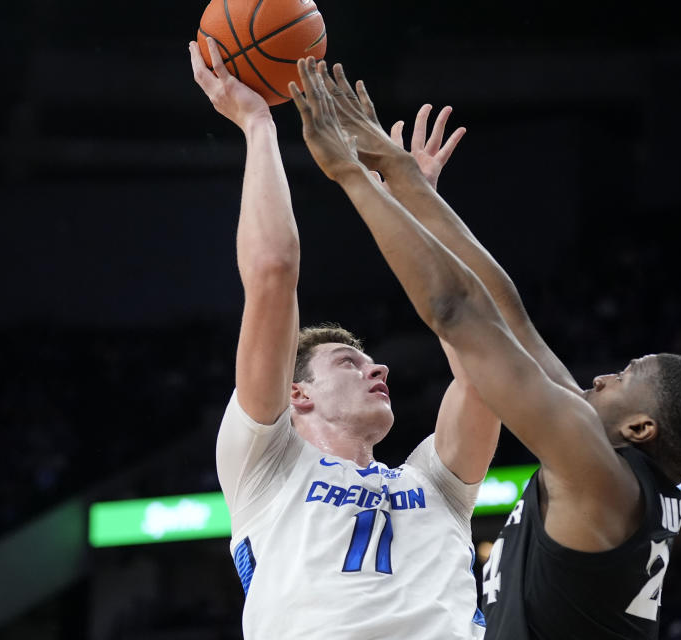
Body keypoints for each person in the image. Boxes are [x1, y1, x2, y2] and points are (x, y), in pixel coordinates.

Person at [289, 56, 681, 640]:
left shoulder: (596, 473)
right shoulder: (609, 467)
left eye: (624, 377)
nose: (601, 378)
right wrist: (407, 184)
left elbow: (458, 312)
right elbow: (510, 316)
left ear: (642, 428)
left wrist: (352, 173)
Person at [188, 39, 500, 639]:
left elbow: (485, 365)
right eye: (348, 362)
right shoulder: (266, 466)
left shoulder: (436, 484)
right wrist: (256, 124)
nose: (379, 369)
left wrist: (415, 201)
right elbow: (273, 274)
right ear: (297, 394)